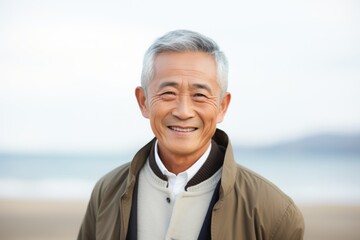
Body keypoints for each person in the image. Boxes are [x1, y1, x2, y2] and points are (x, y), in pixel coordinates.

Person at [78, 29, 304, 240]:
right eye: (168, 93)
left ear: (222, 106)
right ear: (143, 101)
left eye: (199, 95)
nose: (183, 111)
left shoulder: (273, 211)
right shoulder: (107, 192)